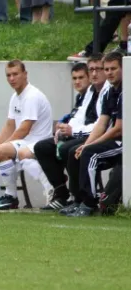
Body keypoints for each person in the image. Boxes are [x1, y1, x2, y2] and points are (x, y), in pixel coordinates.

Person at [0, 60, 53, 210]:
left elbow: (24, 129)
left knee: (1, 151)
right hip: (22, 142)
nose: (11, 78)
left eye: (15, 74)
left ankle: (11, 197)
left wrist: (3, 146)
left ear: (25, 74)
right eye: (8, 75)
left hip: (35, 143)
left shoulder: (32, 96)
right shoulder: (15, 96)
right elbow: (10, 124)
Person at [34, 57, 109, 210]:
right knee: (42, 147)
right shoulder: (90, 91)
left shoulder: (108, 91)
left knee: (68, 150)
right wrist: (65, 129)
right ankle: (61, 193)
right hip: (83, 133)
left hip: (99, 136)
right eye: (91, 70)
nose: (94, 74)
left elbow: (102, 125)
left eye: (99, 69)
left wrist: (72, 131)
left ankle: (79, 198)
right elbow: (79, 116)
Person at [65, 51, 123, 217]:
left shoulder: (125, 92)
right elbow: (102, 123)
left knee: (91, 154)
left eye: (113, 68)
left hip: (125, 142)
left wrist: (90, 146)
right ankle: (78, 200)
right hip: (115, 140)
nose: (109, 72)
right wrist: (86, 144)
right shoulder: (110, 93)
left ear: (123, 69)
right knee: (77, 151)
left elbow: (119, 129)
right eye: (107, 69)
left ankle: (89, 203)